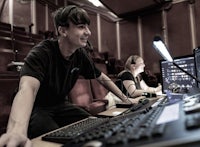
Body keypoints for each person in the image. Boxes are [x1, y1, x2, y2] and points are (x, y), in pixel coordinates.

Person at [0, 5, 132, 147]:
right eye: (81, 27)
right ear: (63, 30)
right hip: (37, 107)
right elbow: (27, 89)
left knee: (96, 125)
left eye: (87, 27)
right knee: (54, 138)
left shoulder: (80, 55)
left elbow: (102, 78)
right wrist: (16, 131)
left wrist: (125, 99)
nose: (88, 32)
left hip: (60, 105)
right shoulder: (41, 53)